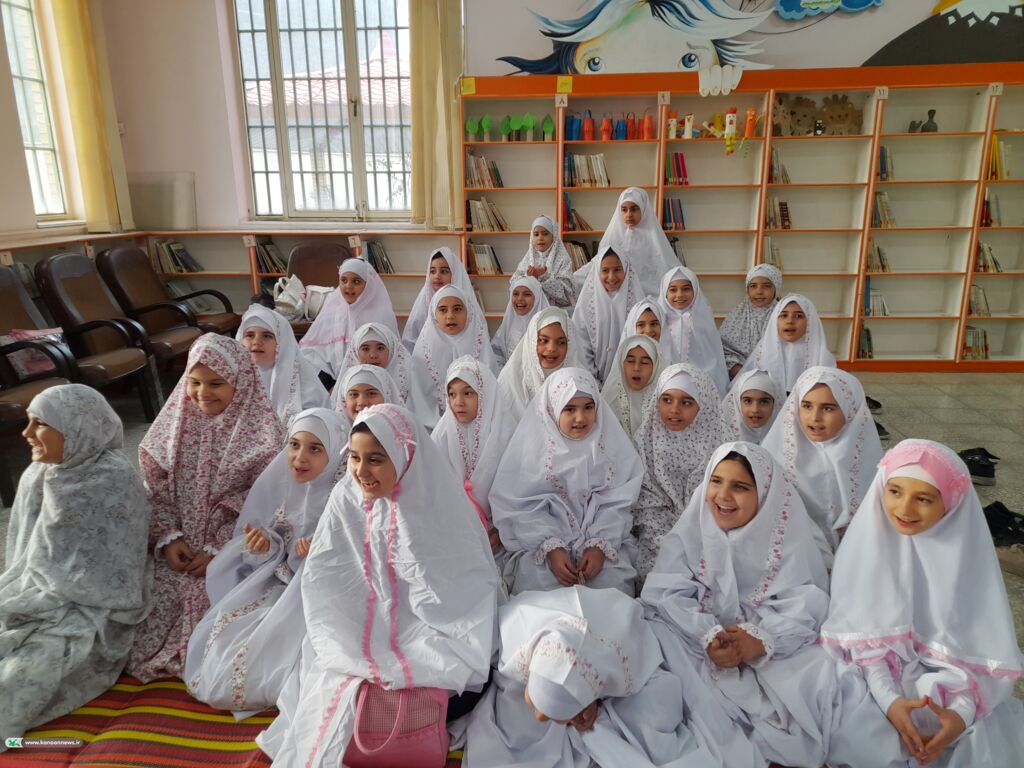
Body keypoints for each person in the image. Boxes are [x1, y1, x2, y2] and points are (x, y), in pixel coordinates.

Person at [255, 404, 499, 768]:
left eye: (376, 459)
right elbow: (327, 581)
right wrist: (363, 643)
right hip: (358, 634)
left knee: (454, 685)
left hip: (435, 635)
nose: (361, 471)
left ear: (403, 456)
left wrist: (403, 641)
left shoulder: (437, 505)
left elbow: (460, 598)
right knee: (328, 686)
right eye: (354, 458)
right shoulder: (346, 498)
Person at [823, 439, 1024, 768]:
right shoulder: (869, 549)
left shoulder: (968, 564)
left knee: (971, 741)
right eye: (895, 492)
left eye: (924, 499)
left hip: (948, 691)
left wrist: (959, 714)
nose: (904, 509)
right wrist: (891, 702)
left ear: (952, 503)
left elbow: (978, 655)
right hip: (874, 682)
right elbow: (864, 642)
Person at [642, 441, 838, 768]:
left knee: (819, 678)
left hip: (769, 642)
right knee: (656, 655)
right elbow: (666, 590)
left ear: (765, 494)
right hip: (693, 639)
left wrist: (760, 640)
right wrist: (708, 635)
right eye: (716, 481)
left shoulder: (784, 533)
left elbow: (806, 602)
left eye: (740, 487)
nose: (723, 496)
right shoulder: (695, 525)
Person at [128, 334, 283, 682]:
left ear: (240, 383)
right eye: (194, 382)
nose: (202, 393)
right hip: (177, 548)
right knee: (147, 602)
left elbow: (265, 502)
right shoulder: (173, 425)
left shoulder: (263, 435)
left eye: (216, 384)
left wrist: (219, 548)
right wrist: (168, 537)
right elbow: (155, 489)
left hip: (235, 550)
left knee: (219, 611)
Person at [0, 385, 150, 741]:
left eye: (40, 424)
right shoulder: (37, 473)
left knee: (21, 677)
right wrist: (30, 599)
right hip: (32, 592)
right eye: (29, 421)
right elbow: (22, 552)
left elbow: (117, 569)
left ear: (78, 428)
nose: (26, 433)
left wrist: (51, 604)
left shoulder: (112, 479)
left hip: (92, 611)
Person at [185, 408, 348, 716]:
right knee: (229, 645)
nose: (300, 457)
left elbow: (352, 556)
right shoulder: (278, 483)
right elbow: (260, 540)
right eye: (294, 445)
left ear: (336, 452)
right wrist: (263, 546)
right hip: (275, 585)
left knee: (278, 652)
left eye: (315, 449)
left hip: (317, 595)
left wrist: (318, 554)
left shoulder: (344, 496)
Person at [463, 586, 723, 768]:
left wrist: (589, 695)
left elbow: (632, 661)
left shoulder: (620, 639)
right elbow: (533, 683)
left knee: (648, 712)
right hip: (544, 648)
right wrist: (558, 694)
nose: (541, 716)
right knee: (518, 722)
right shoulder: (517, 627)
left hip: (598, 632)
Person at [490, 367, 643, 596]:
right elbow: (520, 507)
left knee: (612, 587)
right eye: (569, 409)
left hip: (600, 543)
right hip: (544, 545)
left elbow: (618, 503)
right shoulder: (533, 451)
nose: (580, 418)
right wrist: (551, 547)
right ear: (552, 409)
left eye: (588, 407)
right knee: (540, 588)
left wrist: (599, 544)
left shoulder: (609, 447)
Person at [761, 366, 883, 566]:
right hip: (796, 559)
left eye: (828, 408)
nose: (815, 417)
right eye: (807, 406)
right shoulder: (775, 457)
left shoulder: (871, 461)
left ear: (851, 411)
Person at [631, 363, 724, 582]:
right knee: (660, 571)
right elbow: (645, 500)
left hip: (709, 528)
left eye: (686, 402)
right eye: (666, 400)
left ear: (703, 405)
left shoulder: (721, 442)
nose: (674, 410)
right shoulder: (645, 441)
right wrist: (669, 540)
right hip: (656, 530)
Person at [431, 356, 517, 568]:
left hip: (498, 533)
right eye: (452, 394)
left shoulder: (506, 433)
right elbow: (433, 489)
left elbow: (518, 489)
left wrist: (502, 530)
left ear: (485, 394)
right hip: (454, 530)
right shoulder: (442, 435)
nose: (458, 402)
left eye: (468, 393)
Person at [411, 284, 495, 428]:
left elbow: (490, 393)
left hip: (479, 425)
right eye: (443, 310)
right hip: (432, 427)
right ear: (434, 315)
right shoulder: (423, 349)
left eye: (457, 309)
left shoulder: (480, 343)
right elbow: (418, 398)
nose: (450, 316)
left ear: (468, 312)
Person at [299, 258, 398, 379]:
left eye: (356, 282)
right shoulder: (332, 311)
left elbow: (389, 359)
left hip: (369, 378)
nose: (348, 286)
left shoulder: (381, 315)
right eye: (344, 280)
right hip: (332, 379)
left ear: (368, 285)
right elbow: (314, 352)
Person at [575, 187, 680, 296]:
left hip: (646, 294)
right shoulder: (613, 236)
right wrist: (572, 279)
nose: (629, 214)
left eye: (634, 209)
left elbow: (667, 266)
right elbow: (596, 265)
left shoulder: (654, 238)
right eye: (624, 210)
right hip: (614, 291)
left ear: (643, 209)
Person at [237, 304, 328, 425]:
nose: (256, 342)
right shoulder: (232, 377)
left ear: (281, 343)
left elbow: (315, 422)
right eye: (249, 335)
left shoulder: (304, 384)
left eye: (267, 336)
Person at [732, 294, 835, 394]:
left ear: (810, 321)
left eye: (798, 316)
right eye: (784, 315)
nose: (790, 321)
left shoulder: (822, 358)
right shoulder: (763, 352)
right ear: (775, 320)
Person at [496, 306, 581, 420]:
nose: (551, 348)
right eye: (543, 340)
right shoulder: (510, 381)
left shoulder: (580, 380)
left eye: (561, 342)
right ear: (531, 341)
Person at [571, 245, 641, 382]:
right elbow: (580, 342)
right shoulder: (587, 303)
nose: (611, 277)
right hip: (593, 380)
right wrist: (592, 379)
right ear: (597, 271)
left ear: (626, 269)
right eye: (605, 270)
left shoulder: (636, 302)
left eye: (617, 270)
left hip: (628, 380)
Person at [658, 266, 729, 395]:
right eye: (673, 290)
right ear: (664, 293)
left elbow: (712, 355)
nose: (679, 294)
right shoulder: (658, 320)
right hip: (665, 381)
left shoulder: (703, 319)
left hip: (701, 381)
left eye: (686, 289)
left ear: (695, 290)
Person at [402, 246, 479, 352]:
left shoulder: (467, 303)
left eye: (443, 271)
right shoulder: (423, 303)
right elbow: (410, 343)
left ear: (455, 274)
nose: (437, 276)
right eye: (432, 271)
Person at [719, 264, 782, 378]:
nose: (759, 291)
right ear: (747, 289)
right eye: (753, 286)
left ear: (776, 288)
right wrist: (738, 370)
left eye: (766, 286)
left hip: (773, 374)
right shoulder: (736, 315)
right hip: (739, 375)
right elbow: (724, 350)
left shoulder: (782, 314)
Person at [600, 334, 664, 436]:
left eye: (644, 362)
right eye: (630, 361)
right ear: (621, 364)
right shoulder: (610, 400)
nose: (636, 368)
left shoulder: (666, 401)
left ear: (656, 367)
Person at [509, 215, 576, 307]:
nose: (540, 238)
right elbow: (513, 284)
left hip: (554, 311)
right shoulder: (528, 258)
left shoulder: (563, 260)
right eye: (536, 234)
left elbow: (566, 296)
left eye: (545, 234)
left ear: (554, 236)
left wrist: (544, 276)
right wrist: (528, 277)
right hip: (530, 310)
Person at [490, 275, 549, 369]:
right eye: (515, 294)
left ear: (537, 298)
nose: (520, 298)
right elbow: (496, 351)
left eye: (527, 294)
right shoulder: (508, 324)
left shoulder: (548, 327)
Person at [331, 363, 403, 428]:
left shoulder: (403, 436)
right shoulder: (333, 437)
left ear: (386, 398)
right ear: (344, 401)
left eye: (371, 394)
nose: (361, 402)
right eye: (354, 394)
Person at [720, 369, 781, 444]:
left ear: (775, 404)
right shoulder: (722, 440)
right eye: (748, 401)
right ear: (737, 403)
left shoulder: (784, 440)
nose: (755, 409)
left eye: (764, 401)